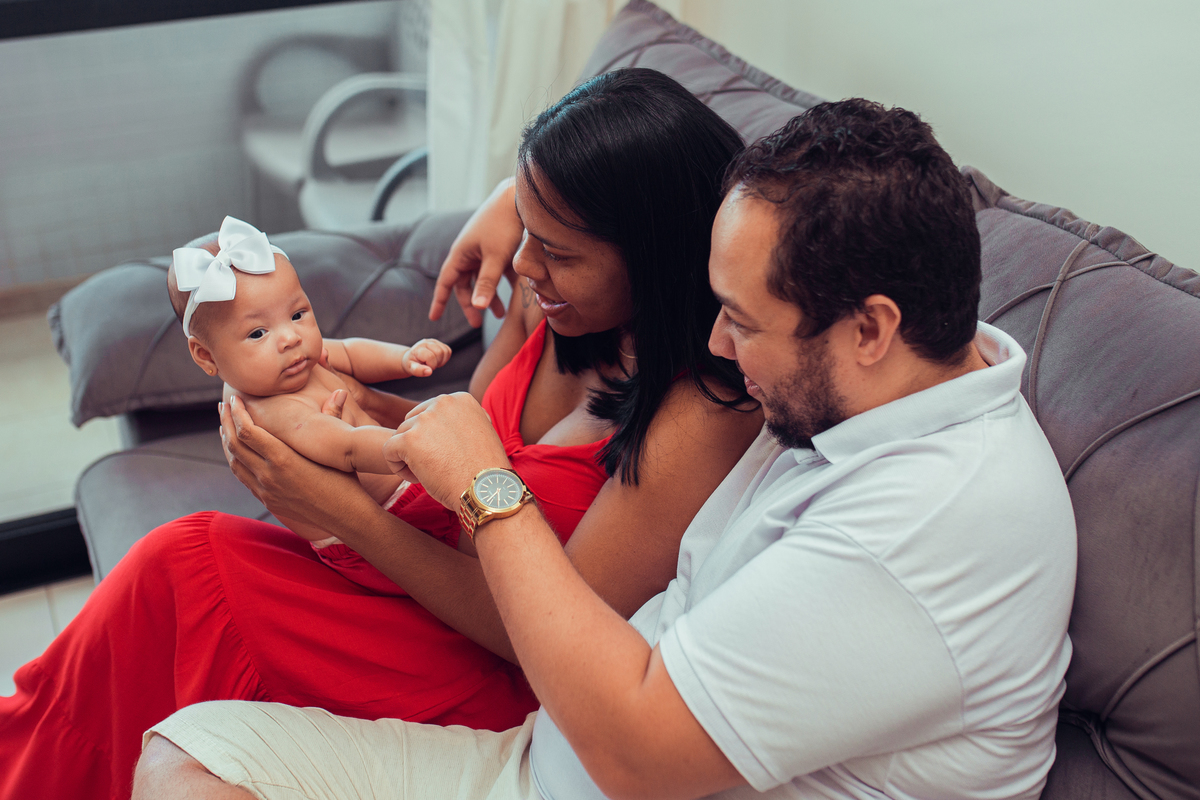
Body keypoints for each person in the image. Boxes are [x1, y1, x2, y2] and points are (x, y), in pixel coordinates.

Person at [134, 98, 1078, 800]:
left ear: (869, 329)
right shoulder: (902, 374)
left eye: (744, 323)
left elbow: (634, 753)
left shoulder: (921, 529)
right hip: (543, 758)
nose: (718, 346)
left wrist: (484, 486)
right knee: (189, 754)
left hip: (594, 763)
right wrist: (520, 199)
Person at [0, 68, 763, 800]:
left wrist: (346, 517)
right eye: (528, 233)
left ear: (654, 253)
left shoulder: (703, 412)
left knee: (196, 584)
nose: (525, 264)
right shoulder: (558, 306)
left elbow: (540, 636)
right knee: (173, 564)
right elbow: (463, 433)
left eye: (557, 251)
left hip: (496, 664)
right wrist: (508, 203)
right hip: (419, 587)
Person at [168, 217, 452, 529]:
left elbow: (351, 352)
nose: (291, 337)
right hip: (391, 518)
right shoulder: (264, 411)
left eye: (297, 314)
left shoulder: (296, 359)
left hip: (406, 490)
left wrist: (404, 357)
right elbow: (348, 447)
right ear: (206, 355)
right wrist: (411, 447)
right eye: (258, 333)